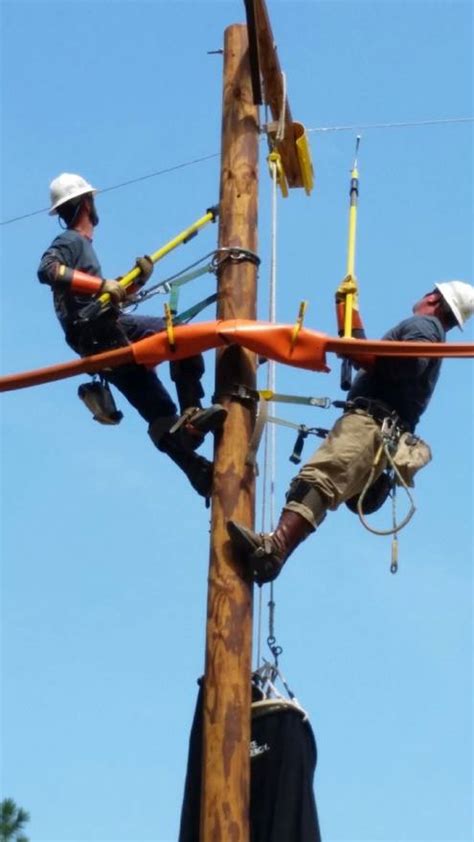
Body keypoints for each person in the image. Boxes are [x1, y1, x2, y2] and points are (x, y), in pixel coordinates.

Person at [228, 281, 474, 584]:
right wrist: (347, 310)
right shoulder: (432, 332)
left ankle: (274, 549)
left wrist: (353, 342)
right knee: (318, 483)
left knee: (318, 480)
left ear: (434, 298)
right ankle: (272, 552)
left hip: (371, 425)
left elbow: (399, 366)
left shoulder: (424, 325)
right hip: (378, 428)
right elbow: (368, 354)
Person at [38, 172, 226, 497]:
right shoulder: (72, 241)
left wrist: (132, 283)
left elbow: (102, 297)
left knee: (159, 412)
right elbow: (47, 270)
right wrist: (103, 285)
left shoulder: (80, 247)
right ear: (86, 202)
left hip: (96, 346)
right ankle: (193, 412)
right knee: (180, 335)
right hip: (100, 329)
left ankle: (194, 468)